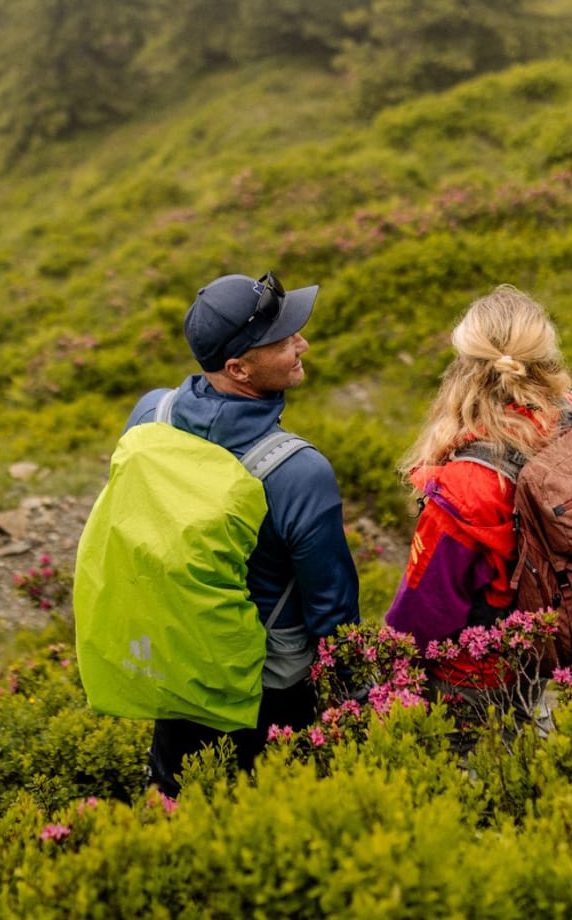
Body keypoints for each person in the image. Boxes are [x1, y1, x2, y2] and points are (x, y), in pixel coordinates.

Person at [126, 270, 360, 796]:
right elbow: (334, 614)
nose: (303, 344)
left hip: (176, 665)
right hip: (269, 691)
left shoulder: (149, 414)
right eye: (283, 341)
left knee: (176, 798)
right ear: (239, 368)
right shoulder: (298, 471)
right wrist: (357, 702)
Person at [384, 285, 572, 698]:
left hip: (477, 678)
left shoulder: (466, 487)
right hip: (552, 648)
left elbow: (420, 618)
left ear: (467, 366)